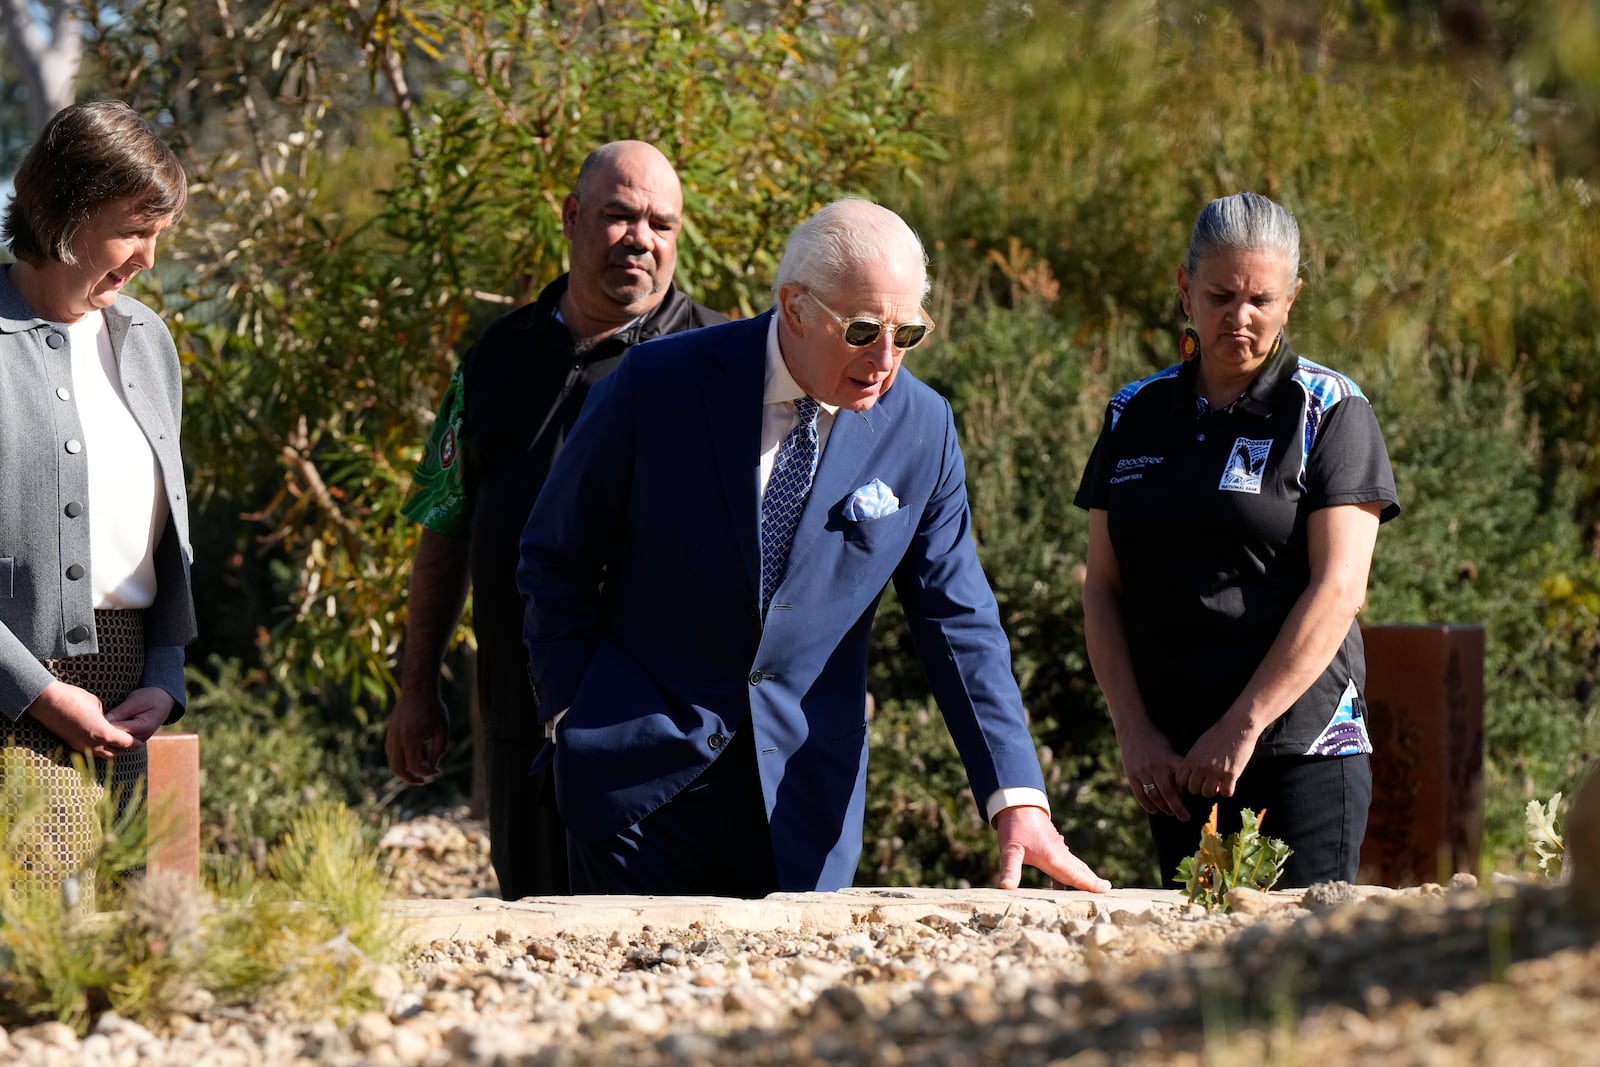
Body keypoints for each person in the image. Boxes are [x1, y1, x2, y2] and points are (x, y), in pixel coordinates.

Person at [517, 197, 1111, 898]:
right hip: (636, 789)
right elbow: (556, 556)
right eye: (862, 329)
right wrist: (571, 711)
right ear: (795, 307)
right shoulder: (655, 384)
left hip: (801, 807)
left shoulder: (921, 427)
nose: (886, 360)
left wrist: (1017, 797)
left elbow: (958, 619)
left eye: (907, 334)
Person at [385, 141, 725, 899]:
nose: (641, 238)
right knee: (536, 931)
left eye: (661, 224)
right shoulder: (493, 360)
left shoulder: (721, 361)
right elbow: (444, 523)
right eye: (618, 215)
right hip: (521, 724)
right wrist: (417, 687)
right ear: (572, 218)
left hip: (668, 737)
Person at [1075, 191, 1400, 889]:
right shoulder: (1133, 412)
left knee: (1300, 982)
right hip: (1175, 762)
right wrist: (1135, 732)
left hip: (1300, 751)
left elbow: (1340, 588)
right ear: (1184, 289)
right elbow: (1102, 586)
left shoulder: (1330, 409)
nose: (1240, 317)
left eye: (1261, 298)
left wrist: (1242, 726)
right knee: (1199, 982)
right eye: (1220, 295)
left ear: (1293, 299)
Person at [0, 99, 195, 899]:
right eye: (132, 231)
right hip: (12, 699)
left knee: (142, 942)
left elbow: (165, 529)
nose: (149, 258)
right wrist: (35, 690)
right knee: (37, 958)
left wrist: (164, 670)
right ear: (64, 214)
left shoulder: (146, 339)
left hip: (132, 700)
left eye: (161, 233)